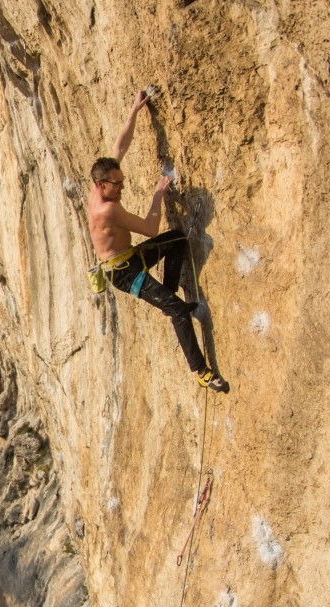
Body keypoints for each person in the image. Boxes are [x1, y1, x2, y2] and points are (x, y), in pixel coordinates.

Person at [87, 89, 230, 393]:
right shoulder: (106, 210)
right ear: (102, 185)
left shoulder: (99, 188)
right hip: (125, 274)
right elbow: (150, 229)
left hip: (132, 257)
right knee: (179, 311)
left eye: (122, 180)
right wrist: (157, 195)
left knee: (178, 239)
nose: (122, 186)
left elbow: (119, 146)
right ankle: (202, 372)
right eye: (118, 184)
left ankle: (167, 295)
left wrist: (134, 111)